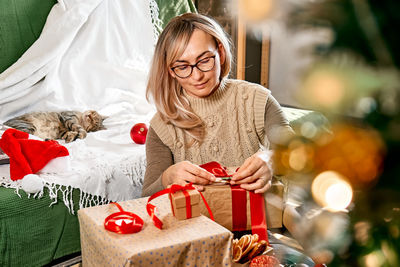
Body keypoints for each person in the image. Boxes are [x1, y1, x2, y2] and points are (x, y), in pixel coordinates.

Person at [141, 13, 294, 197]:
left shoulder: (258, 100)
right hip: (193, 226)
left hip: (256, 223)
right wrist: (167, 178)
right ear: (170, 71)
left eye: (205, 60)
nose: (197, 76)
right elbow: (146, 197)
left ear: (220, 53)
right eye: (182, 67)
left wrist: (272, 159)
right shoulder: (161, 126)